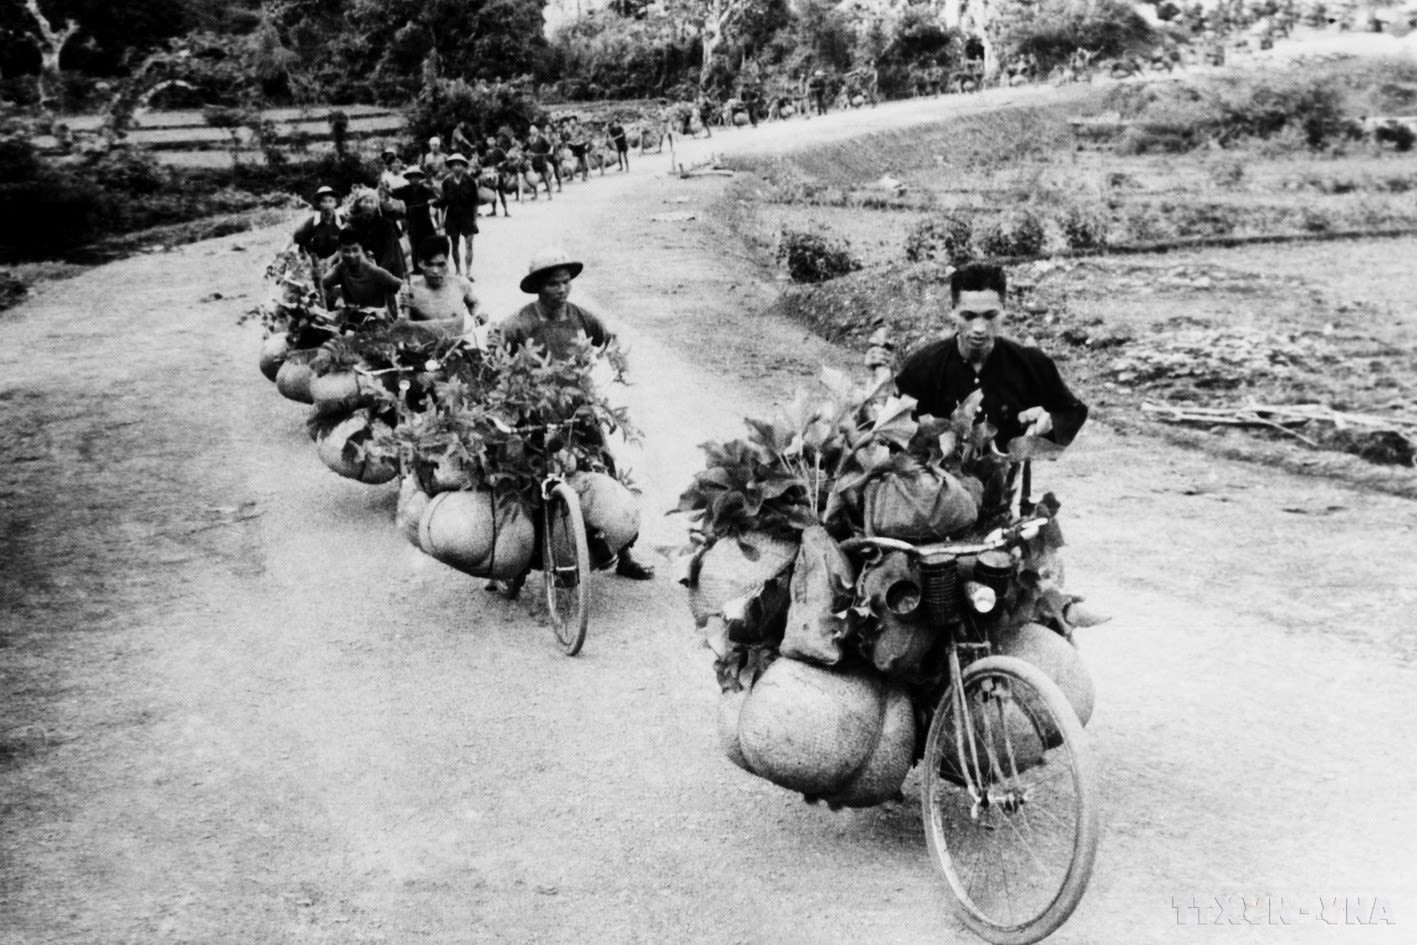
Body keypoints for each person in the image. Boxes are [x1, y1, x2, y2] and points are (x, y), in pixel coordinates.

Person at [495, 247, 654, 581]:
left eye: (566, 282)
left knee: (604, 468)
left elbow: (609, 340)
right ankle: (516, 562)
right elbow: (496, 364)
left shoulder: (582, 318)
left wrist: (615, 368)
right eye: (553, 284)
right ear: (539, 286)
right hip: (533, 415)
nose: (562, 289)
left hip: (577, 410)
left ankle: (625, 551)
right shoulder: (518, 324)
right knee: (525, 481)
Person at [882, 263, 1089, 450]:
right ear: (953, 312)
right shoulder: (922, 367)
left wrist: (1048, 420)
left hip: (1009, 487)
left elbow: (1072, 412)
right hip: (941, 487)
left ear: (1004, 311)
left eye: (990, 316)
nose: (979, 328)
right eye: (969, 316)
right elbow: (892, 431)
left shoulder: (1032, 364)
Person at [398, 235, 480, 337]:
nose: (435, 271)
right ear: (420, 263)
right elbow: (404, 330)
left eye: (441, 265)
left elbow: (475, 305)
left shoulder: (460, 285)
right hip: (425, 350)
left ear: (447, 262)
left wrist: (477, 317)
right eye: (429, 265)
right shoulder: (411, 292)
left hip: (457, 347)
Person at [321, 228, 403, 319]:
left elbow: (401, 286)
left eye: (355, 250)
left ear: (362, 250)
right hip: (353, 319)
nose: (351, 255)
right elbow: (324, 283)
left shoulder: (374, 271)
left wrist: (396, 312)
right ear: (340, 251)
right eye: (346, 251)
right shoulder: (341, 268)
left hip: (375, 320)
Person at [346, 188, 407, 277]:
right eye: (366, 202)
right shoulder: (354, 222)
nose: (369, 205)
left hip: (388, 262)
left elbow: (389, 250)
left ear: (376, 205)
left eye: (372, 202)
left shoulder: (386, 223)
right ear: (359, 203)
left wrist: (380, 270)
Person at [437, 153, 480, 277]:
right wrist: (441, 221)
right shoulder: (447, 182)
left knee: (469, 244)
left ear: (464, 167)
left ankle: (468, 271)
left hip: (467, 216)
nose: (457, 167)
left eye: (460, 165)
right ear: (451, 167)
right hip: (452, 216)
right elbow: (443, 202)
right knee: (454, 244)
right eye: (454, 165)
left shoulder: (470, 181)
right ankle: (458, 270)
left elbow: (475, 202)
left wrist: (475, 220)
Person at [290, 185, 343, 267]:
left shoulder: (342, 221)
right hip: (316, 263)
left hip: (337, 262)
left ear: (335, 203)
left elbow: (349, 244)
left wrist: (332, 258)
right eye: (324, 201)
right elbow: (297, 241)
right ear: (319, 204)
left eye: (330, 201)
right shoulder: (311, 224)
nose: (327, 205)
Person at [391, 166, 439, 253]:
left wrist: (431, 203)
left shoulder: (426, 189)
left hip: (425, 221)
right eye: (411, 177)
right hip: (412, 222)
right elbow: (392, 193)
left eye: (416, 176)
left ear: (420, 178)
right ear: (408, 179)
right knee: (415, 248)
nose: (413, 179)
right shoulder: (404, 189)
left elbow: (433, 199)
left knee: (430, 246)